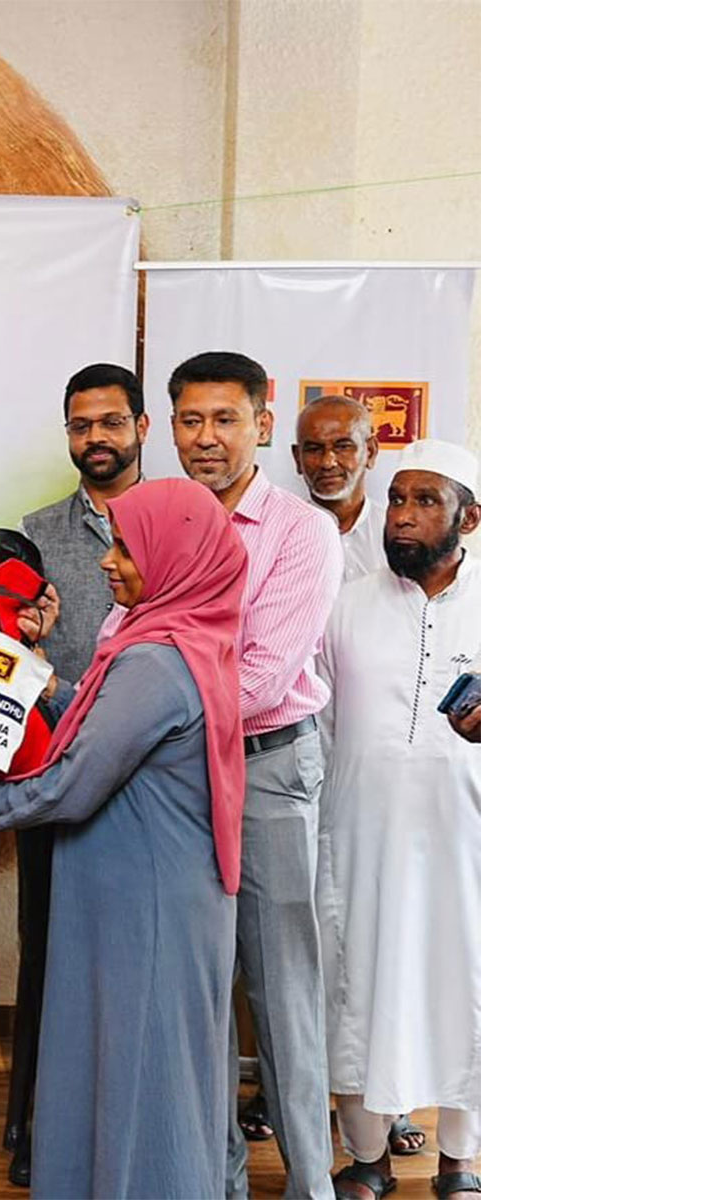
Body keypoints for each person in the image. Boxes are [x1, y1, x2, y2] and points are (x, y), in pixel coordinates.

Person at [0, 477, 248, 1198]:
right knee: (137, 1069)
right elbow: (104, 722)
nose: (109, 560)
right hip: (151, 900)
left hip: (144, 909)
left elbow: (73, 781)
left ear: (175, 559)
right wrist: (30, 679)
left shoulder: (152, 662)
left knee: (140, 1075)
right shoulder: (189, 641)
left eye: (128, 549)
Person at [169, 350, 343, 1200]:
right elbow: (124, 646)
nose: (207, 438)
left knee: (282, 989)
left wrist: (146, 713)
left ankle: (310, 1183)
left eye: (225, 419)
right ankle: (220, 1182)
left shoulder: (299, 530)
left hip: (268, 769)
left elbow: (263, 675)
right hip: (175, 780)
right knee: (199, 987)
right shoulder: (155, 519)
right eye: (191, 420)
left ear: (262, 427)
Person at [315, 440, 483, 1200]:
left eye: (424, 502)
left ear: (469, 518)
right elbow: (313, 723)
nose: (403, 518)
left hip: (469, 845)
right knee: (359, 988)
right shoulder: (346, 604)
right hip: (359, 837)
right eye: (397, 501)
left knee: (468, 984)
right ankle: (368, 1157)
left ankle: (460, 1161)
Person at [5, 362, 146, 1187]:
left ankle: (119, 1123)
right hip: (54, 777)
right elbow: (14, 652)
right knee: (48, 952)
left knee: (130, 962)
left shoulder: (177, 521)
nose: (95, 438)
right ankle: (34, 1129)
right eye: (80, 425)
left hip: (153, 784)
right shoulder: (36, 530)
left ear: (139, 429)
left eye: (109, 422)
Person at [291, 396, 386, 583]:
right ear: (297, 458)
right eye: (314, 449)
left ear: (370, 452)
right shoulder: (279, 534)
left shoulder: (395, 533)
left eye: (343, 447)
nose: (328, 462)